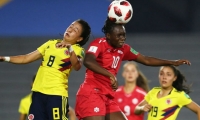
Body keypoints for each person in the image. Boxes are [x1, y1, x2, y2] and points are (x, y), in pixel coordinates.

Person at [57, 18, 191, 120]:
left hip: (108, 96)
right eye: (119, 35)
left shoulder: (124, 49)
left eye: (124, 34)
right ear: (108, 36)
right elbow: (88, 61)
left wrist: (173, 62)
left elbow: (145, 59)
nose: (123, 38)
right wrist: (110, 75)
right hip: (92, 93)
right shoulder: (99, 43)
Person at [0, 19, 91, 120]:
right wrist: (5, 58)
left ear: (79, 39)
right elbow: (26, 58)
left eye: (75, 30)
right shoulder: (50, 44)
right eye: (71, 26)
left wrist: (70, 49)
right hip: (38, 93)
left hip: (56, 95)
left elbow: (77, 66)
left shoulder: (78, 50)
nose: (70, 29)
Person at [134, 65, 200, 120]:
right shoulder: (153, 91)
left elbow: (198, 110)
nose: (164, 77)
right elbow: (136, 109)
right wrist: (142, 108)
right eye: (161, 74)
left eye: (168, 75)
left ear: (174, 78)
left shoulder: (179, 95)